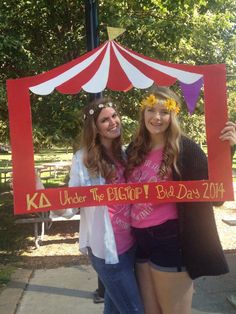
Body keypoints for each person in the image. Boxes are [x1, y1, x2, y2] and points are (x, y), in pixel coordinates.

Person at [125, 85, 236, 314]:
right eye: (151, 110)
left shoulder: (185, 149)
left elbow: (214, 196)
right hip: (139, 240)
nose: (157, 117)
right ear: (142, 113)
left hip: (169, 239)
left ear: (173, 115)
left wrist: (227, 151)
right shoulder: (135, 148)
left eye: (164, 111)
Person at [58, 98, 144, 314]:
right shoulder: (83, 159)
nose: (113, 122)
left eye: (114, 116)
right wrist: (42, 195)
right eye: (105, 119)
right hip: (107, 252)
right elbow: (70, 206)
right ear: (94, 127)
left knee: (115, 307)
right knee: (134, 309)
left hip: (131, 245)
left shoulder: (125, 154)